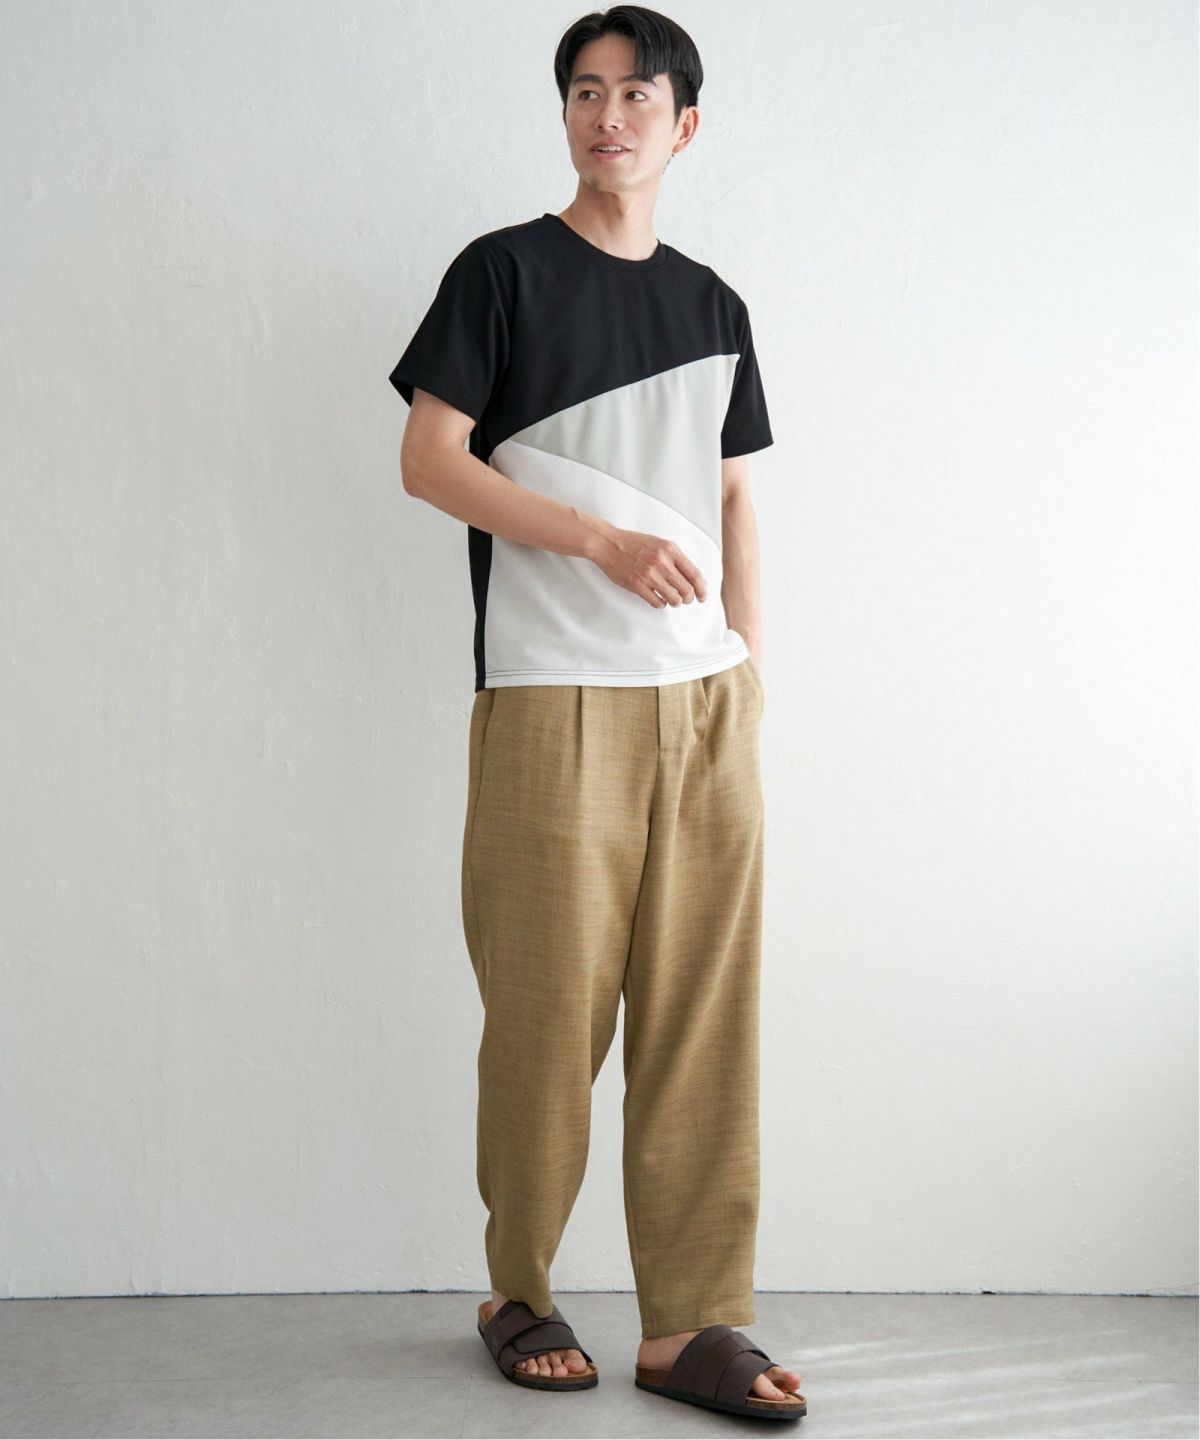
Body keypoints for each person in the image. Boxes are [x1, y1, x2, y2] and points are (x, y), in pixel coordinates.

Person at [388, 4, 806, 1422]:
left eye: (635, 94)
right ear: (565, 114)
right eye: (584, 90)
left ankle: (689, 1324)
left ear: (684, 125)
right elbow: (429, 461)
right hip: (552, 698)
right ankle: (518, 1289)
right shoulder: (501, 274)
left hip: (704, 708)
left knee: (703, 1023)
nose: (606, 114)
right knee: (545, 1022)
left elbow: (737, 496)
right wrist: (598, 543)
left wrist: (747, 670)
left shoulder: (713, 305)